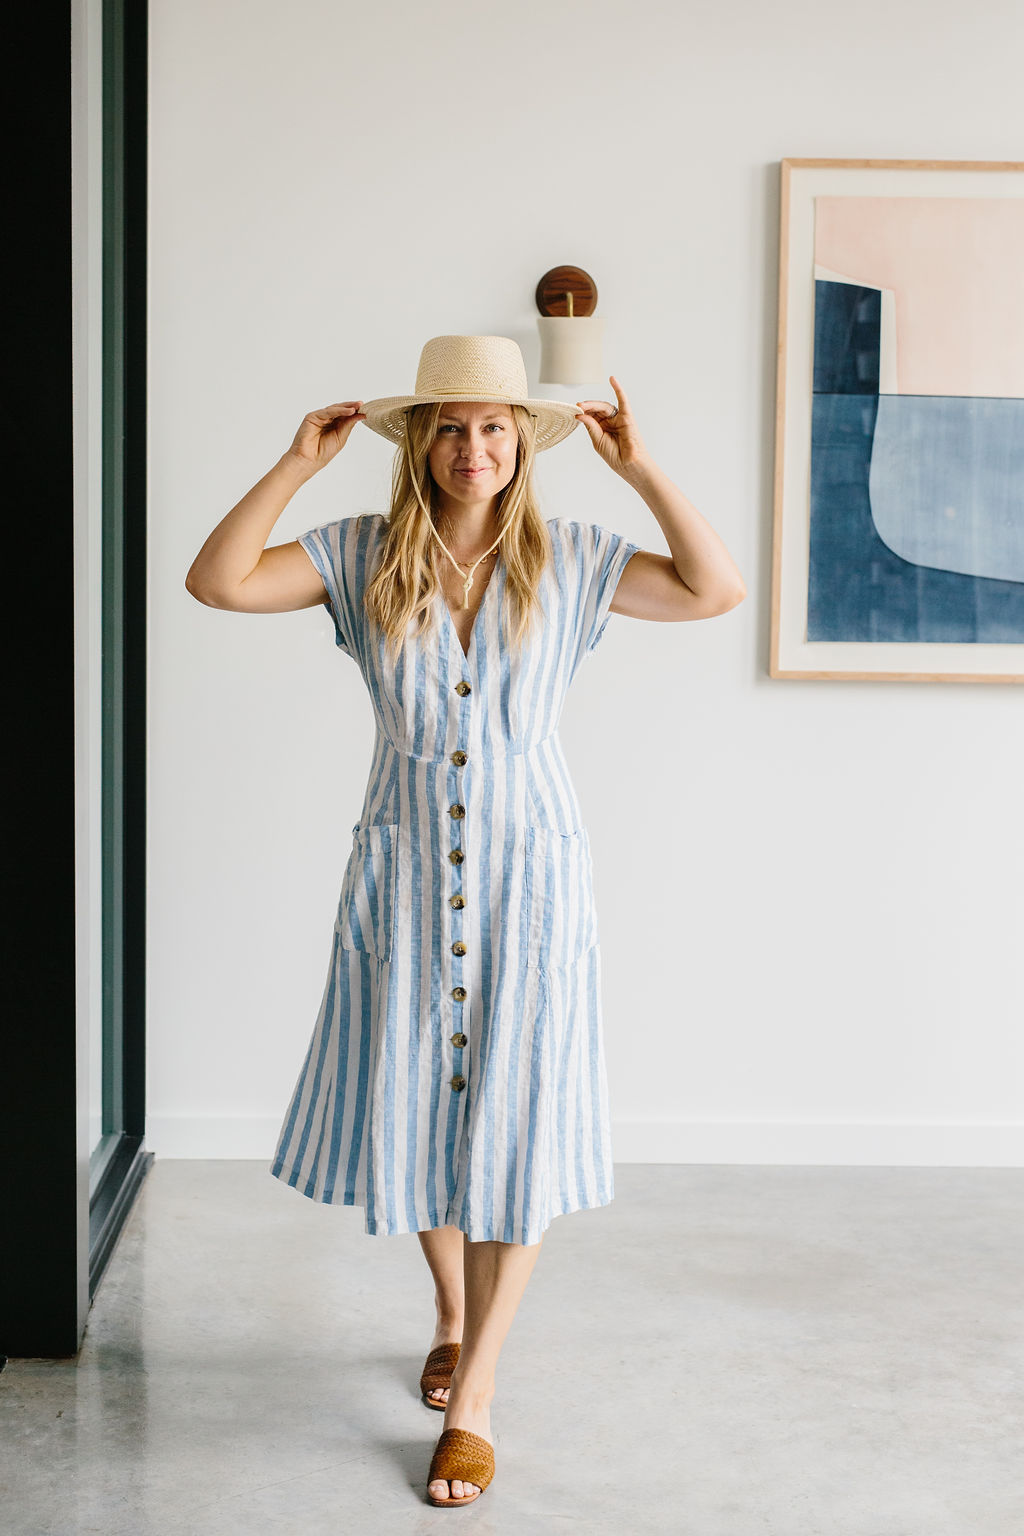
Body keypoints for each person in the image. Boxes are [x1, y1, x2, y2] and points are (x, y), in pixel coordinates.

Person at [185, 334, 746, 1508]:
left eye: (494, 427)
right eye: (449, 426)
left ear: (521, 446)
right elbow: (218, 579)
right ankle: (448, 1311)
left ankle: (476, 1395)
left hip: (531, 884)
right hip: (399, 877)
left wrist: (641, 472)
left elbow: (715, 589)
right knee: (417, 1111)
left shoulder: (578, 558)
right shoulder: (357, 554)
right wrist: (294, 462)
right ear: (417, 443)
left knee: (517, 1128)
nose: (473, 448)